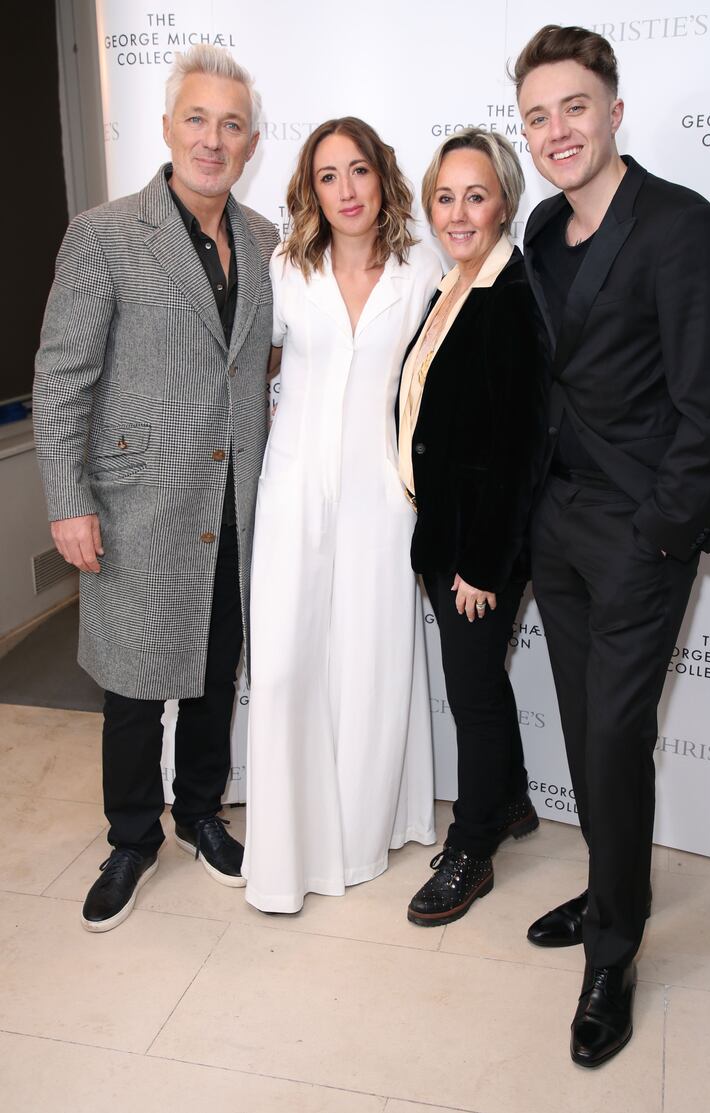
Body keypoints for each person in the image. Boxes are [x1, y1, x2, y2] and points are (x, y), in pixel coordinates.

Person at [513, 25, 710, 1066]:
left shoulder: (681, 227)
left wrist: (659, 538)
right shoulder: (534, 232)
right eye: (534, 117)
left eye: (571, 107)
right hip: (556, 529)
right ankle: (612, 886)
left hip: (638, 536)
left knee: (611, 738)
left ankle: (612, 948)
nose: (554, 131)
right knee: (582, 728)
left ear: (613, 110)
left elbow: (707, 410)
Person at [33, 45, 279, 932]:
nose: (213, 140)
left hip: (234, 504)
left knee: (215, 670)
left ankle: (202, 811)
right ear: (169, 127)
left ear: (251, 142)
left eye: (232, 125)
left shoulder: (262, 238)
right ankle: (132, 836)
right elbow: (61, 376)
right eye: (198, 120)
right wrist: (68, 499)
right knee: (135, 687)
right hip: (137, 501)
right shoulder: (102, 234)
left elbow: (250, 364)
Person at [242, 118, 441, 913]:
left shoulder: (423, 267)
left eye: (358, 171)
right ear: (311, 190)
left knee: (370, 660)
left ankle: (361, 837)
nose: (346, 190)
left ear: (380, 177)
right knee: (286, 665)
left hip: (383, 494)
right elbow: (252, 370)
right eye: (328, 176)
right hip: (290, 489)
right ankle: (287, 841)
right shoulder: (285, 267)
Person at [402, 129, 547, 927]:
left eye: (476, 195)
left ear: (504, 203)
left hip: (477, 549)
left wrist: (484, 565)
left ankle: (474, 843)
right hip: (446, 535)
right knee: (482, 683)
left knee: (473, 696)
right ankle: (516, 800)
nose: (459, 212)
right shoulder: (453, 285)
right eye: (445, 196)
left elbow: (517, 444)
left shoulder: (509, 295)